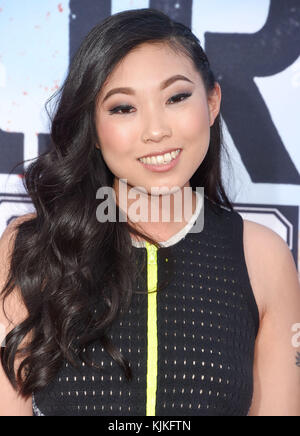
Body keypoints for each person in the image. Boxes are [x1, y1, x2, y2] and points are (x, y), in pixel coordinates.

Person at [1, 8, 300, 417]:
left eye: (176, 97)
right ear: (92, 126)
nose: (155, 130)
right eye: (123, 108)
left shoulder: (263, 257)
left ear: (212, 102)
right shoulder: (30, 247)